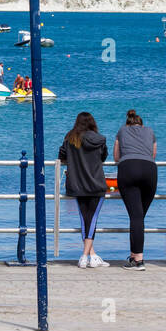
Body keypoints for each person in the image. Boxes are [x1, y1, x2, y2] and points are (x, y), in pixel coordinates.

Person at [58, 111, 109, 268]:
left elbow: (61, 155)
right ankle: (86, 256)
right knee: (92, 220)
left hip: (77, 184)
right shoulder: (99, 140)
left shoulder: (71, 138)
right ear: (92, 123)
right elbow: (103, 157)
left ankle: (91, 255)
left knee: (84, 219)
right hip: (96, 184)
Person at [113, 109, 157, 270]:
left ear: (128, 122)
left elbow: (116, 157)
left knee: (136, 217)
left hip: (128, 169)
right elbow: (153, 154)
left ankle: (138, 260)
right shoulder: (150, 131)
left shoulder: (122, 131)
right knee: (138, 217)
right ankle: (134, 256)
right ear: (141, 124)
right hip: (149, 171)